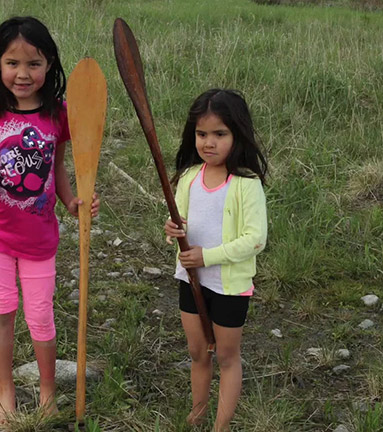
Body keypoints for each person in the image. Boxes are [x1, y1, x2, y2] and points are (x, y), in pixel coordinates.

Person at [0, 16, 99, 425]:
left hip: (40, 238)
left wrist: (72, 200)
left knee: (40, 315)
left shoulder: (58, 115)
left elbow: (57, 167)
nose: (23, 74)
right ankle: (6, 390)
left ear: (50, 64)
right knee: (2, 310)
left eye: (34, 63)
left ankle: (47, 390)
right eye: (12, 63)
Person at [164, 89, 268, 432]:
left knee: (226, 356)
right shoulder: (189, 178)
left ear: (237, 135)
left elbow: (255, 239)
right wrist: (172, 231)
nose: (209, 143)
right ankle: (197, 415)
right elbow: (182, 227)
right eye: (201, 134)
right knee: (197, 353)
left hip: (228, 285)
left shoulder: (245, 184)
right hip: (190, 280)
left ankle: (220, 427)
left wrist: (207, 256)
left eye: (219, 134)